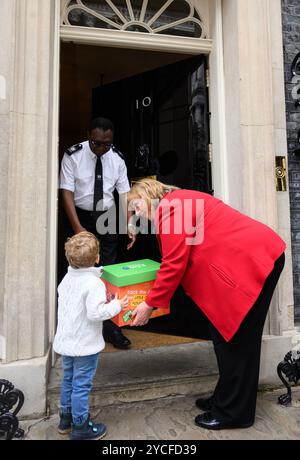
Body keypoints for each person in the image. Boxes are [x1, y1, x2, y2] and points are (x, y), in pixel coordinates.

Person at [127, 179, 286, 430]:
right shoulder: (175, 203)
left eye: (135, 207)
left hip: (255, 261)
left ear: (147, 195)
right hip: (248, 260)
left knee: (236, 340)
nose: (136, 215)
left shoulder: (170, 210)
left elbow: (173, 264)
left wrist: (149, 304)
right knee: (226, 335)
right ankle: (225, 400)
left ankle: (234, 413)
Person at [60, 117, 135, 349]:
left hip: (107, 216)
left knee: (108, 272)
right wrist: (78, 229)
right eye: (96, 143)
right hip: (80, 215)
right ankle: (78, 328)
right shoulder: (73, 155)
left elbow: (124, 195)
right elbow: (66, 192)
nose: (101, 148)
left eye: (106, 144)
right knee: (79, 271)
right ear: (88, 136)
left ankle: (111, 328)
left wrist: (130, 224)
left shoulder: (117, 158)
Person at [53, 232, 128, 440]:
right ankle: (81, 427)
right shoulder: (94, 284)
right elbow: (95, 313)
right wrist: (116, 305)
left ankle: (65, 419)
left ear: (69, 258)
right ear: (97, 258)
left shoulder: (68, 278)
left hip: (67, 342)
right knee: (81, 385)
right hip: (84, 345)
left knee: (68, 380)